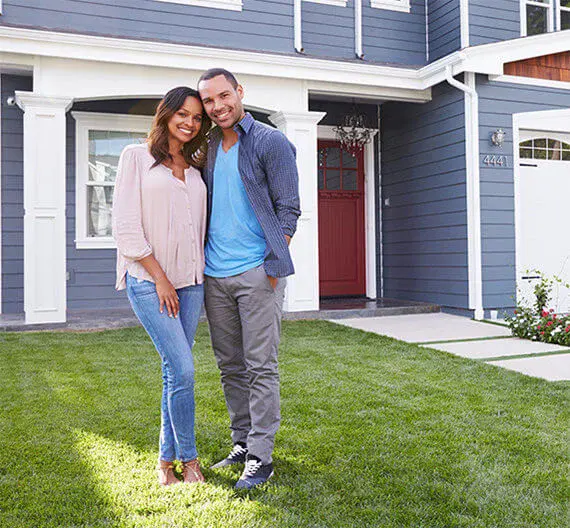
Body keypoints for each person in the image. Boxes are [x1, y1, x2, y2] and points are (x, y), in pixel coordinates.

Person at [197, 68, 300, 489]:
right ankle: (241, 442)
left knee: (261, 366)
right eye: (209, 100)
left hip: (257, 273)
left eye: (224, 95)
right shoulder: (206, 147)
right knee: (230, 366)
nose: (218, 106)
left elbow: (289, 208)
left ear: (239, 92)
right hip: (214, 275)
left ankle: (261, 455)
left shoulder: (270, 141)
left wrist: (272, 263)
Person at [112, 86, 211, 486]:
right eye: (183, 114)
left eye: (197, 117)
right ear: (166, 114)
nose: (189, 122)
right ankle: (189, 461)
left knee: (175, 372)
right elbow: (126, 228)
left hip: (192, 283)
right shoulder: (135, 157)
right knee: (184, 369)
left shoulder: (197, 165)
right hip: (151, 283)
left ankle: (163, 462)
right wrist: (160, 278)